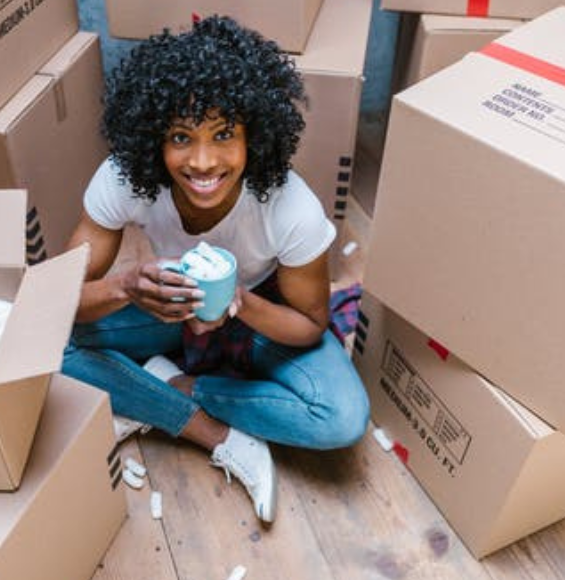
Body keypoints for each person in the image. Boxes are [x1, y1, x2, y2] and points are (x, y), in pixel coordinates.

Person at [61, 15, 369, 525]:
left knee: (341, 418)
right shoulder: (124, 179)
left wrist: (240, 303)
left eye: (224, 134)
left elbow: (310, 323)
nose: (203, 162)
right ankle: (211, 432)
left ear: (255, 135)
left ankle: (174, 387)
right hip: (163, 305)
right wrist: (125, 287)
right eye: (181, 137)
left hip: (255, 310)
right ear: (153, 139)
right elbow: (57, 298)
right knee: (45, 345)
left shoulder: (289, 208)